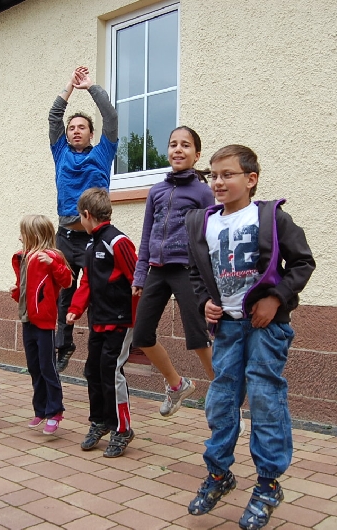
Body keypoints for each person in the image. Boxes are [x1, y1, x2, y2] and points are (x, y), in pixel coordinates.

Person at [184, 145, 315, 529]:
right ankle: (219, 474)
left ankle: (268, 484)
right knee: (221, 399)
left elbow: (303, 262)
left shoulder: (271, 218)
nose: (218, 182)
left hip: (264, 327)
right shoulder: (202, 223)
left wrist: (276, 299)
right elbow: (196, 273)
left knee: (263, 396)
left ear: (251, 179)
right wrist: (205, 301)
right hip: (227, 328)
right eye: (213, 175)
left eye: (228, 174)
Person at [131, 126, 215, 417]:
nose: (178, 149)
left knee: (198, 337)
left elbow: (208, 237)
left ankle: (226, 400)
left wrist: (208, 279)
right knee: (141, 335)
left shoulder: (203, 192)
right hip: (156, 270)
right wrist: (140, 275)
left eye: (185, 145)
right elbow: (146, 236)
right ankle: (177, 385)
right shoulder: (157, 191)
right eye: (173, 144)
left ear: (197, 154)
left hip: (187, 271)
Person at [48, 66, 118, 373]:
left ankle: (98, 352)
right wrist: (69, 86)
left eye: (82, 127)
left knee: (97, 294)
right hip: (65, 237)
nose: (76, 131)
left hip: (94, 238)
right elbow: (54, 117)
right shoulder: (60, 153)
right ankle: (64, 345)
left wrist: (90, 88)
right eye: (72, 128)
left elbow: (111, 118)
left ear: (91, 133)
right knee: (65, 293)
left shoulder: (103, 152)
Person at [66, 188, 138, 458]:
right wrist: (75, 308)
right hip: (98, 320)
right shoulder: (90, 245)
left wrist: (138, 319)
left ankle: (122, 428)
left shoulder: (117, 241)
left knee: (111, 371)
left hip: (120, 321)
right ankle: (100, 421)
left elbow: (137, 279)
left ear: (86, 215)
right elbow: (86, 281)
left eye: (80, 217)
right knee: (92, 371)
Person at [11, 215, 73, 434]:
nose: (20, 238)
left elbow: (67, 281)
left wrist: (53, 264)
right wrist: (16, 292)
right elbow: (26, 287)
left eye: (23, 233)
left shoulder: (51, 256)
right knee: (34, 367)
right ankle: (40, 409)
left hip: (44, 322)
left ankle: (55, 411)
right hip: (28, 319)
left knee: (48, 367)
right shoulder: (24, 257)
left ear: (34, 235)